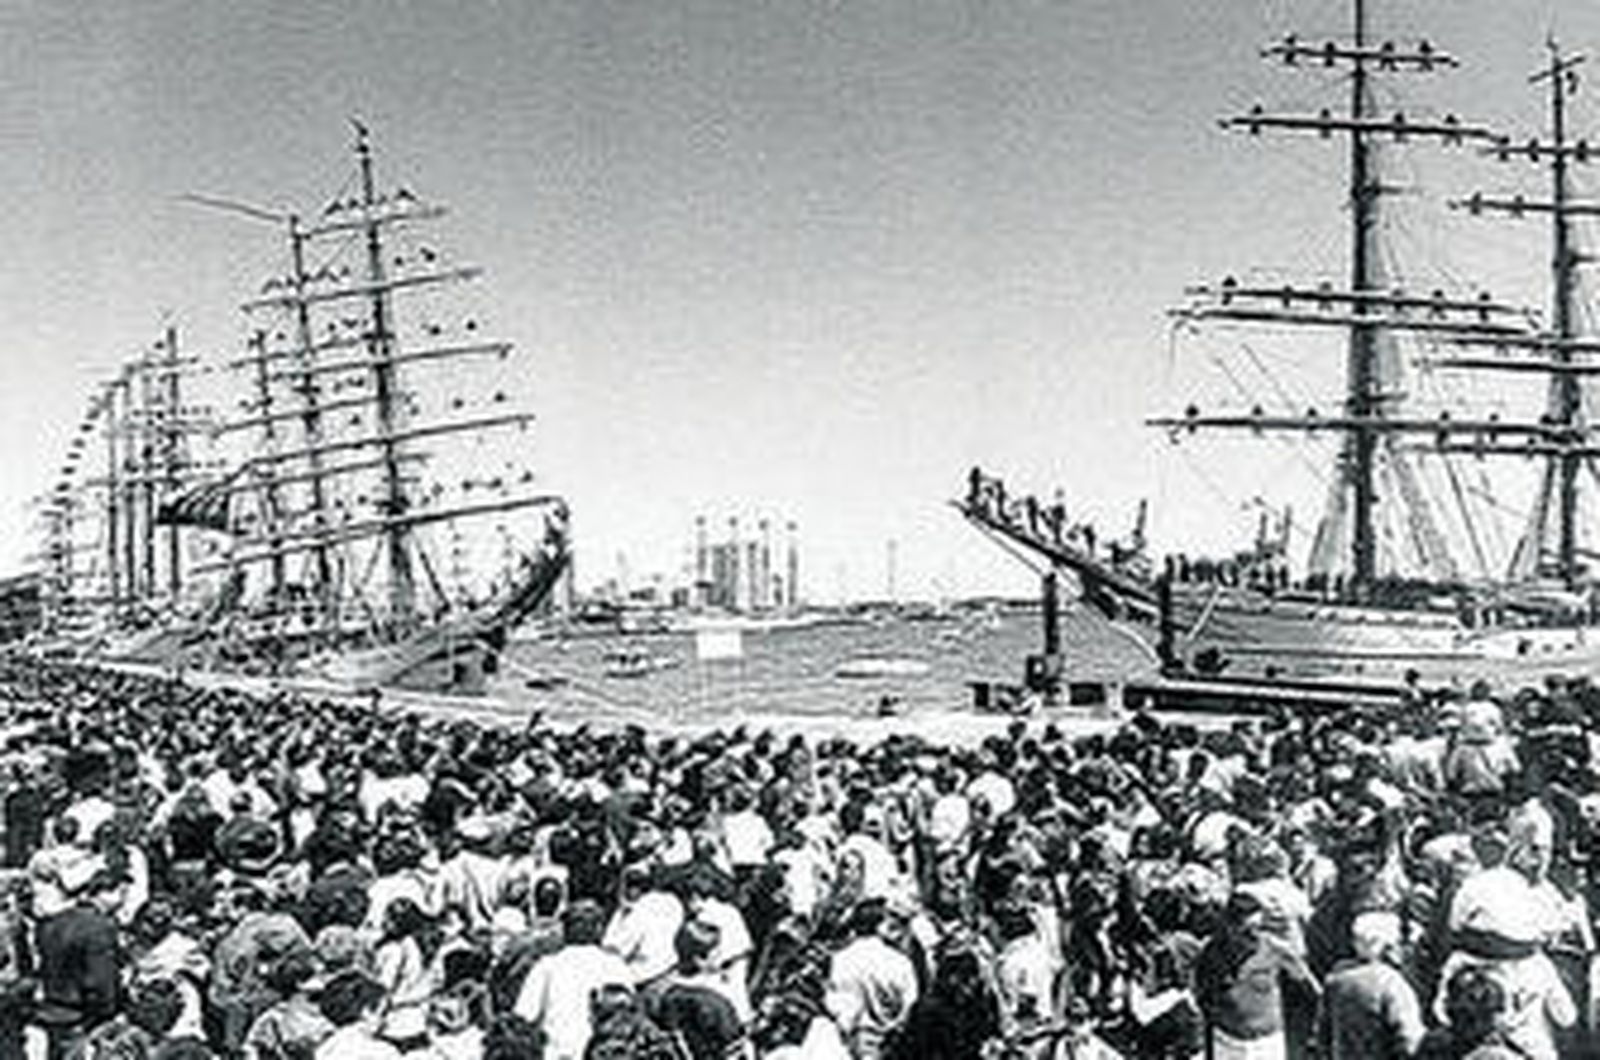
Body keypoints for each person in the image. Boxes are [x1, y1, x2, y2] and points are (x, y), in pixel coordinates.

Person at [1195, 891, 1317, 1060]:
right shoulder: (1211, 954)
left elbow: (1310, 990)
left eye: (1258, 929)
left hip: (1266, 1044)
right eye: (1246, 931)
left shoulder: (1275, 949)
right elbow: (1201, 997)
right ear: (1229, 926)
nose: (1254, 936)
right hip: (1226, 1042)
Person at [514, 898, 631, 1060]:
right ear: (599, 929)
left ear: (566, 929)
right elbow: (629, 1016)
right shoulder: (616, 966)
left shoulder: (547, 966)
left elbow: (523, 1018)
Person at [1317, 911, 1424, 1059]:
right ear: (1386, 945)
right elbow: (1409, 1041)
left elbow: (1323, 1037)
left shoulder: (1336, 981)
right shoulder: (1392, 984)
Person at [826, 898, 918, 1060]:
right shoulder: (900, 962)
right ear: (880, 925)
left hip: (851, 1043)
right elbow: (910, 1006)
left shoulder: (839, 960)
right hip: (889, 1044)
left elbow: (833, 1004)